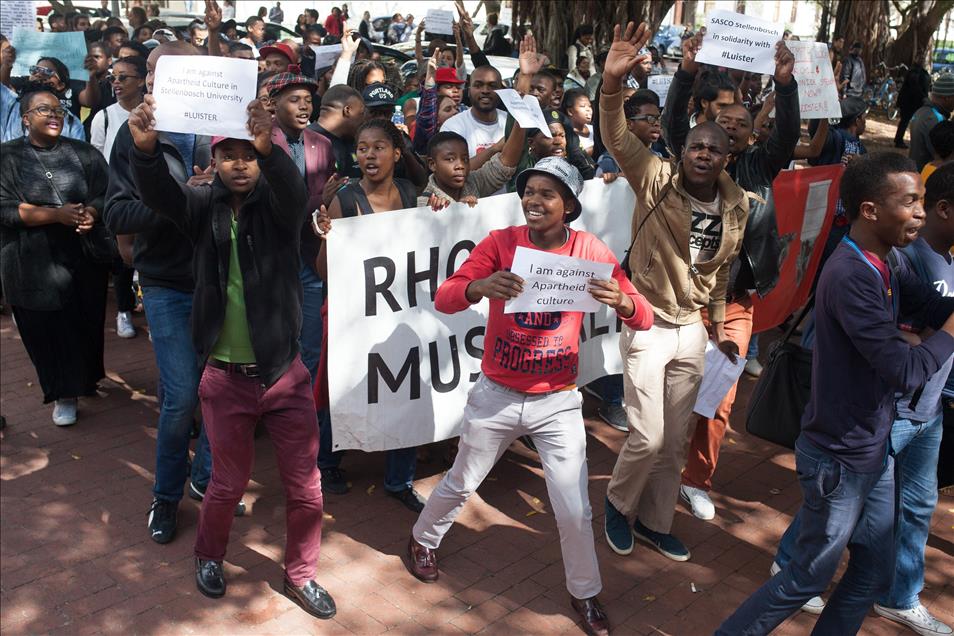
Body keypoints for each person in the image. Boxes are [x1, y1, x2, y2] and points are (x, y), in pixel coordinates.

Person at [399, 156, 653, 636]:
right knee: (461, 481)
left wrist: (623, 301)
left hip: (557, 401)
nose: (534, 201)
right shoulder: (501, 244)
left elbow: (644, 316)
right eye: (529, 191)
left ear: (570, 205)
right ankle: (421, 540)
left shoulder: (589, 250)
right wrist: (479, 285)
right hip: (496, 393)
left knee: (574, 507)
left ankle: (585, 593)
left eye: (547, 194)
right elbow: (445, 296)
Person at [716, 153, 954, 636]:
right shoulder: (850, 275)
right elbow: (906, 370)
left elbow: (929, 305)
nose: (921, 214)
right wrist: (946, 330)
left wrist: (937, 321)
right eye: (910, 203)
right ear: (870, 211)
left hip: (873, 450)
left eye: (923, 202)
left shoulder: (888, 260)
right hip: (838, 460)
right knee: (806, 576)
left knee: (872, 568)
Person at [127, 94, 336, 619]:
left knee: (305, 485)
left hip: (284, 376)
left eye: (249, 153)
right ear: (213, 161)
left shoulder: (280, 206)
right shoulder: (201, 204)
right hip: (223, 379)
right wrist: (145, 148)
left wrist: (272, 149)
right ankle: (209, 555)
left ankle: (301, 574)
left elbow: (292, 189)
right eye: (229, 154)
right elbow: (158, 195)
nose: (240, 163)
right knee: (225, 482)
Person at [599, 22, 748, 563]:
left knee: (676, 441)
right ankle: (617, 505)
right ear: (682, 150)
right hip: (646, 320)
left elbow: (720, 273)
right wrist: (612, 84)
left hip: (692, 332)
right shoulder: (654, 178)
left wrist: (715, 327)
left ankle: (655, 523)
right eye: (695, 145)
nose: (703, 153)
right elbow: (616, 136)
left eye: (715, 148)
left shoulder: (738, 205)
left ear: (725, 158)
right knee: (646, 436)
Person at [103, 40, 241, 544]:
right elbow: (115, 214)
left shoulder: (223, 129)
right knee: (181, 397)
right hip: (165, 283)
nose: (164, 81)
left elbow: (255, 200)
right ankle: (165, 497)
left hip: (223, 281)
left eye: (177, 71)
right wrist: (179, 201)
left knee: (223, 394)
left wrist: (222, 190)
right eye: (157, 72)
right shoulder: (133, 134)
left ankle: (205, 479)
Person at [665, 33, 799, 522]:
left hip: (737, 303)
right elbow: (671, 120)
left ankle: (696, 479)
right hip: (682, 297)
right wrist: (685, 72)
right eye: (725, 122)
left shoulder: (762, 166)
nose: (735, 129)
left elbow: (787, 136)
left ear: (750, 134)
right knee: (667, 387)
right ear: (707, 131)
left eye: (743, 124)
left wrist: (785, 88)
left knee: (719, 395)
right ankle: (656, 464)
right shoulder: (692, 163)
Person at [313, 119, 427, 510]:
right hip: (354, 318)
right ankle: (326, 461)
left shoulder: (412, 195)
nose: (369, 155)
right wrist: (329, 237)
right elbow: (324, 272)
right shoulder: (344, 201)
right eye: (362, 148)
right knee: (345, 389)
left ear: (397, 154)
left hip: (402, 314)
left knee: (407, 389)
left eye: (379, 147)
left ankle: (400, 479)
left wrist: (447, 209)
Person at [0, 84, 110, 427]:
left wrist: (93, 211)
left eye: (58, 110)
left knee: (85, 323)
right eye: (44, 110)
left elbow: (108, 192)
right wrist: (55, 215)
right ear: (25, 119)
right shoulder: (6, 157)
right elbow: (4, 209)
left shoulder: (84, 153)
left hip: (83, 255)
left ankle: (83, 380)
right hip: (30, 262)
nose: (54, 116)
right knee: (46, 328)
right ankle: (63, 391)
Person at [262, 70, 334, 381]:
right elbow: (268, 204)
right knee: (273, 339)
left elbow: (328, 199)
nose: (304, 107)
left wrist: (327, 203)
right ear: (273, 104)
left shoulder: (322, 143)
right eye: (294, 100)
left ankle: (308, 414)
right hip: (270, 257)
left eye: (308, 100)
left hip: (309, 255)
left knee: (312, 343)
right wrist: (319, 198)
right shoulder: (261, 144)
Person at [418, 125, 524, 209]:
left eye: (465, 159)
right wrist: (453, 210)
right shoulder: (426, 202)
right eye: (450, 159)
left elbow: (503, 167)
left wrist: (522, 118)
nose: (460, 166)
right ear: (432, 164)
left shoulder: (472, 182)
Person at [438, 65, 506, 163]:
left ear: (502, 91)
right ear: (469, 91)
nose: (485, 91)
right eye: (478, 85)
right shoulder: (452, 127)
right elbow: (455, 170)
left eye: (492, 86)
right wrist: (495, 148)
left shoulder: (510, 123)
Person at [309, 84, 366, 180]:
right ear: (347, 111)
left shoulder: (352, 140)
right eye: (361, 113)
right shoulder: (306, 142)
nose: (364, 119)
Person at [909, 73, 954, 172]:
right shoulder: (934, 119)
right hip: (928, 176)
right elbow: (946, 157)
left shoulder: (922, 111)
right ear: (947, 98)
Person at [895, 64, 932, 149]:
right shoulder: (916, 73)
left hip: (910, 102)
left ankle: (899, 139)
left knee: (905, 121)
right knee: (905, 122)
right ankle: (899, 140)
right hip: (910, 102)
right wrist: (924, 98)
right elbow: (916, 88)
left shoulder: (916, 73)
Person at [563, 89, 594, 156]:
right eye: (583, 106)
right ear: (570, 111)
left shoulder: (594, 129)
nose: (588, 109)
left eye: (589, 106)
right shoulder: (565, 135)